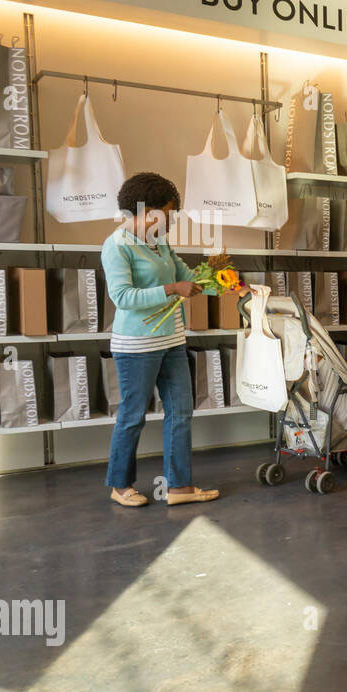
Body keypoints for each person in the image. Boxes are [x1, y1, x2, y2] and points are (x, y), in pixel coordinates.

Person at [101, 172, 233, 508]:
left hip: (172, 339)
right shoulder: (117, 246)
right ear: (149, 212)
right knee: (133, 416)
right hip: (137, 347)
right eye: (170, 213)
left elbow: (186, 277)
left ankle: (179, 487)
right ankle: (120, 485)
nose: (173, 220)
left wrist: (219, 278)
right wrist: (173, 289)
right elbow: (123, 297)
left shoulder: (159, 243)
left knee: (181, 412)